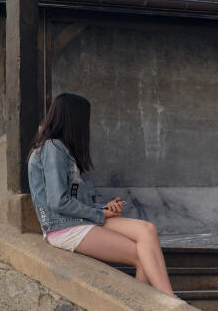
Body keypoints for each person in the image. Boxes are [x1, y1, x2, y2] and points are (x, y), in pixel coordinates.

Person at [27, 92, 176, 297]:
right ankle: (168, 301)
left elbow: (73, 201)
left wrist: (103, 209)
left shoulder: (62, 150)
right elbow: (58, 201)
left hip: (77, 220)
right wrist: (100, 215)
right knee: (142, 256)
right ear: (74, 119)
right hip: (63, 227)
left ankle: (168, 299)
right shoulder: (54, 148)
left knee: (147, 230)